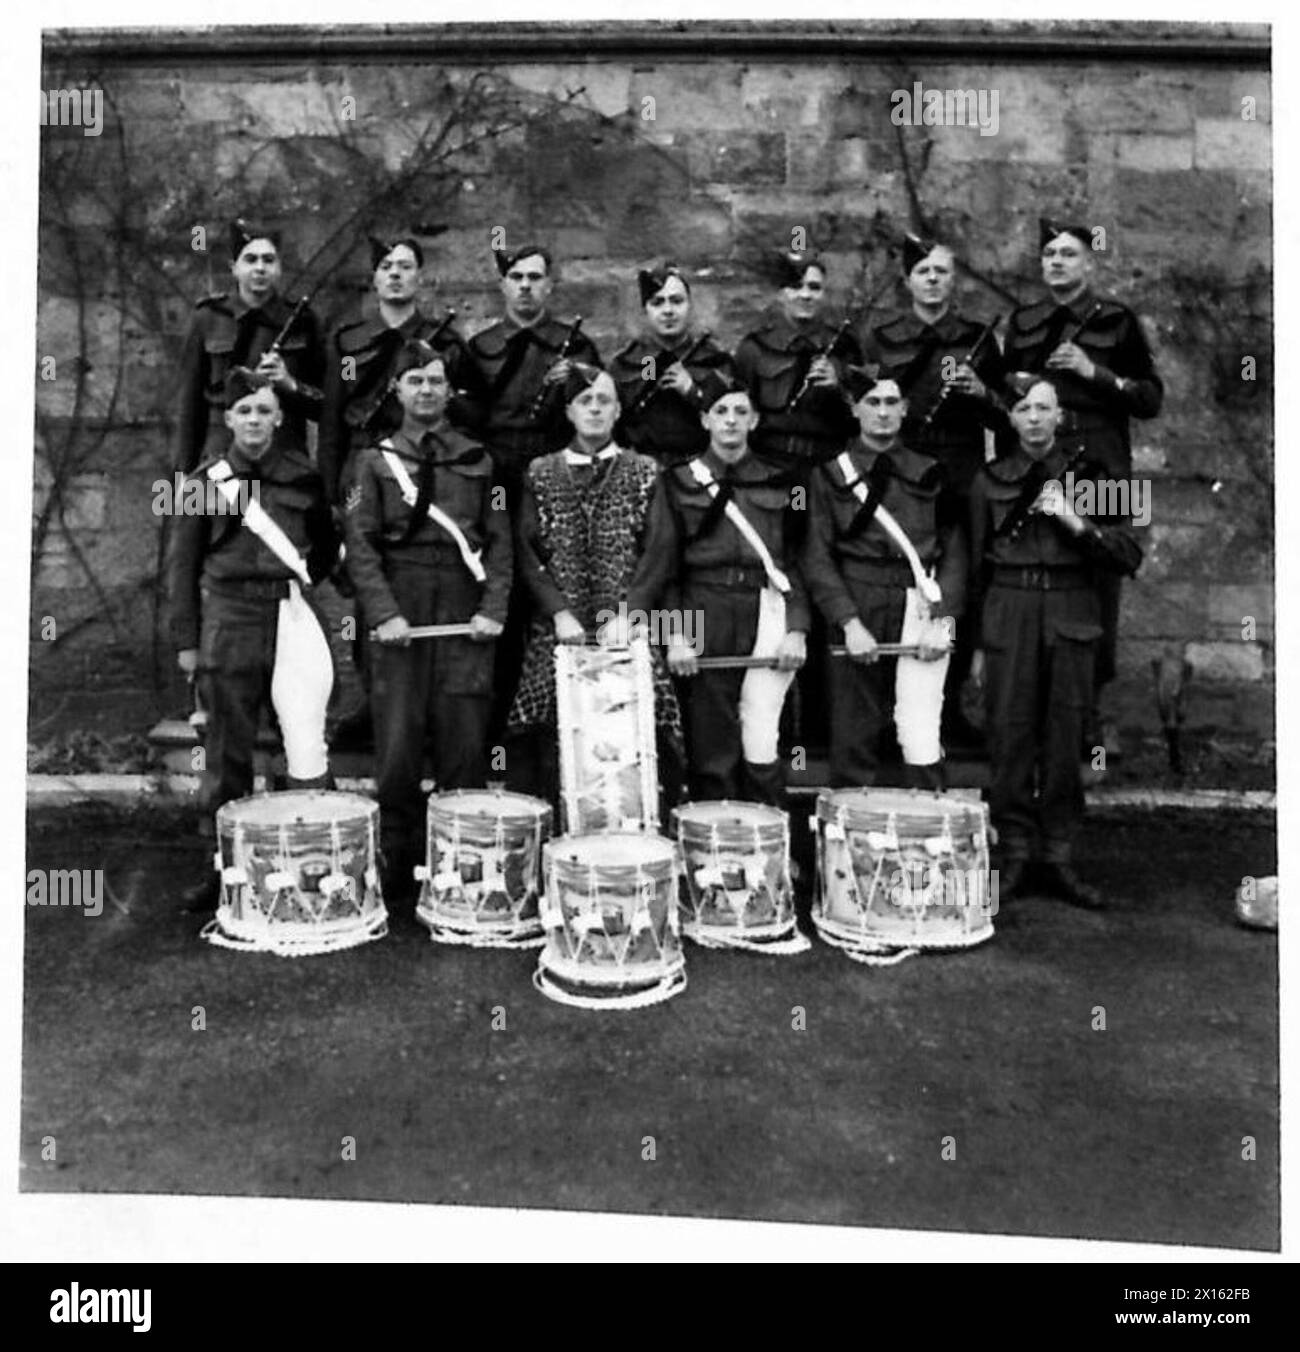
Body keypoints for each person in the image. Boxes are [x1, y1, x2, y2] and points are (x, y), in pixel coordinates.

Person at [343, 339, 512, 919]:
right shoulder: (372, 462)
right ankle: (396, 858)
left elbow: (500, 543)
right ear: (397, 389)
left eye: (436, 381)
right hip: (401, 605)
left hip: (463, 612)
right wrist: (384, 613)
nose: (426, 390)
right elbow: (359, 547)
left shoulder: (479, 460)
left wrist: (494, 607)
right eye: (414, 380)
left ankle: (461, 867)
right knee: (397, 742)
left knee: (464, 740)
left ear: (449, 391)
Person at [168, 368, 339, 913]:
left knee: (304, 736)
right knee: (226, 751)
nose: (254, 421)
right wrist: (188, 643)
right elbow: (181, 566)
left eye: (264, 411)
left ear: (280, 417)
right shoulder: (202, 481)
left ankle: (307, 860)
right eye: (244, 411)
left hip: (288, 610)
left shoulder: (303, 476)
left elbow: (325, 547)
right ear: (228, 419)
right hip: (229, 616)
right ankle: (222, 870)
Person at [969, 375, 1142, 910]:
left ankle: (1060, 854)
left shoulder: (1097, 476)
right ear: (1012, 420)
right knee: (1010, 734)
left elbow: (1128, 555)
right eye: (1023, 409)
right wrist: (975, 643)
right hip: (1010, 609)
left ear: (1061, 416)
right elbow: (974, 568)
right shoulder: (988, 480)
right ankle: (1015, 852)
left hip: (1072, 610)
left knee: (1067, 735)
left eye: (1044, 408)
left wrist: (1073, 520)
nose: (1035, 418)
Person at [1003, 216, 1163, 754]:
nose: (1057, 262)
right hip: (1039, 457)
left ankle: (1088, 716)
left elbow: (1149, 399)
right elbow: (1008, 398)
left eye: (1068, 254)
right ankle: (1030, 710)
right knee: (1037, 564)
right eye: (1049, 254)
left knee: (1100, 580)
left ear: (1087, 262)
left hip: (1105, 463)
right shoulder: (1023, 321)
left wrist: (1096, 372)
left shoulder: (1117, 320)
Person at [628, 371, 808, 808]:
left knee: (764, 738)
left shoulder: (785, 482)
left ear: (755, 421)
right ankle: (715, 856)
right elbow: (665, 566)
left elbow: (797, 562)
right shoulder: (675, 481)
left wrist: (798, 628)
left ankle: (770, 849)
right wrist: (674, 635)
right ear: (705, 420)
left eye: (740, 412)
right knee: (712, 744)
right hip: (701, 607)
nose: (731, 421)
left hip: (765, 608)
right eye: (721, 412)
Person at [508, 365, 682, 815]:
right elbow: (526, 551)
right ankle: (554, 830)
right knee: (541, 723)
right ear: (568, 411)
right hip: (559, 627)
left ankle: (637, 827)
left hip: (625, 625)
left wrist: (631, 612)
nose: (595, 408)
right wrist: (557, 611)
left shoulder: (645, 471)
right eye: (585, 401)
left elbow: (660, 548)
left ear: (618, 409)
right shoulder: (541, 473)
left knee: (646, 720)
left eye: (604, 400)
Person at [457, 243, 603, 737]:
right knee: (498, 586)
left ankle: (553, 721)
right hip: (497, 474)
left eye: (535, 277)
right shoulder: (479, 347)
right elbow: (466, 417)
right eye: (516, 276)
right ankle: (495, 724)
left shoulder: (575, 345)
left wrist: (575, 380)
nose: (525, 285)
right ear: (503, 285)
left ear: (549, 284)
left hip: (554, 476)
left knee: (554, 584)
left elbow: (599, 411)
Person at [863, 235, 1003, 748]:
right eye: (923, 271)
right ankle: (884, 711)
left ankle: (950, 713)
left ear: (953, 279)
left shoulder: (979, 340)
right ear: (908, 281)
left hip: (959, 473)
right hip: (900, 473)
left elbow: (1006, 413)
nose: (933, 279)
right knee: (895, 582)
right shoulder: (881, 338)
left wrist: (981, 392)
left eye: (942, 271)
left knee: (958, 587)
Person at [803, 369, 963, 789]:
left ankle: (928, 832)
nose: (883, 412)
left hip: (920, 600)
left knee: (922, 725)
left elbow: (956, 555)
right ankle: (849, 840)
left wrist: (944, 622)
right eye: (872, 403)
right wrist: (848, 622)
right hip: (858, 596)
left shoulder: (932, 471)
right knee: (854, 728)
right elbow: (817, 557)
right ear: (854, 409)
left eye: (892, 403)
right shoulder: (829, 475)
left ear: (906, 409)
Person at [318, 234, 469, 507]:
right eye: (386, 267)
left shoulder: (446, 342)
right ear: (374, 279)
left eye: (405, 266)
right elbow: (332, 424)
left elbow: (467, 416)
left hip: (425, 461)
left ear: (419, 277)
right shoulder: (348, 343)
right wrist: (330, 494)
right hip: (363, 462)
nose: (395, 274)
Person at [172, 219, 325, 474]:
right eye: (251, 260)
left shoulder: (304, 321)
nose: (260, 268)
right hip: (220, 458)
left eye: (268, 260)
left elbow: (326, 405)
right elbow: (190, 405)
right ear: (234, 268)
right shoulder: (208, 318)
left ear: (279, 267)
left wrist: (290, 384)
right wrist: (183, 471)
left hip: (283, 461)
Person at [733, 249, 862, 483]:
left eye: (814, 287)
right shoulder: (754, 349)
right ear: (781, 293)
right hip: (770, 466)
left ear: (824, 294)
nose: (805, 295)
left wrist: (839, 388)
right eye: (796, 286)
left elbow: (865, 419)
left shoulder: (845, 349)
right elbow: (737, 415)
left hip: (828, 470)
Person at [608, 261, 736, 467]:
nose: (668, 310)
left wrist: (692, 391)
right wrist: (649, 380)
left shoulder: (714, 360)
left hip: (701, 467)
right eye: (657, 302)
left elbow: (733, 422)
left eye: (676, 301)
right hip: (642, 466)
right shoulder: (628, 363)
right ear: (645, 310)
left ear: (689, 306)